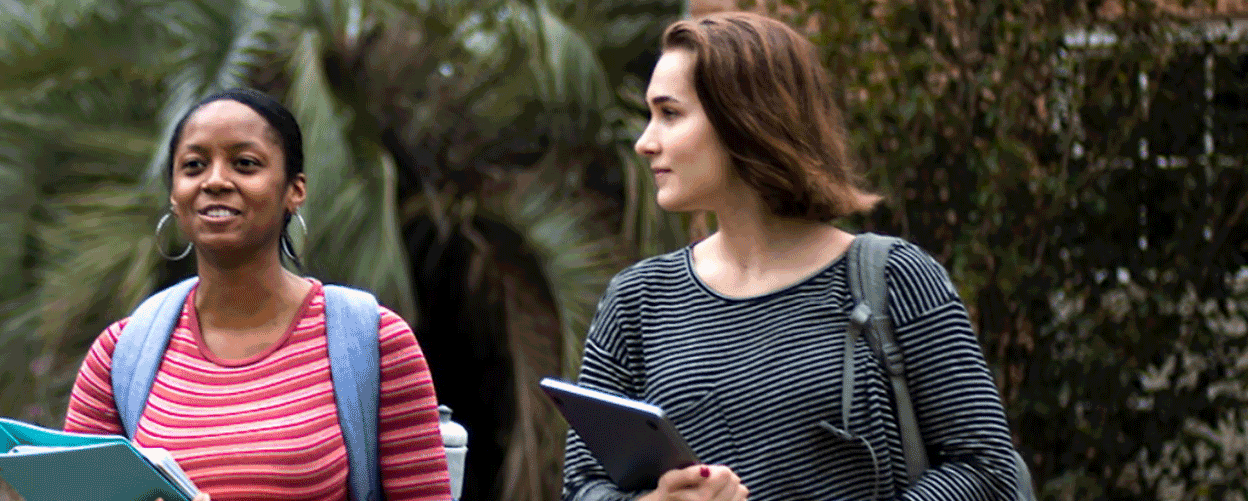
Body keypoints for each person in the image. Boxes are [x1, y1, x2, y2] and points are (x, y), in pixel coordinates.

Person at [561, 12, 1030, 501]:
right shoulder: (637, 301)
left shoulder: (895, 278)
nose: (645, 141)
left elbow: (986, 468)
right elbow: (580, 488)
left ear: (745, 119)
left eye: (670, 113)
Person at [63, 88, 455, 501]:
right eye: (194, 166)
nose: (215, 181)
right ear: (175, 197)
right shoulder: (120, 355)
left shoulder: (372, 341)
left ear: (294, 190)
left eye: (245, 164)